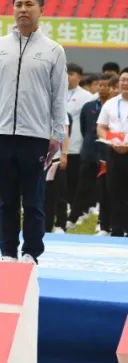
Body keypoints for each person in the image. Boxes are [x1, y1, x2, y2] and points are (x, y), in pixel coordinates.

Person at [0, 0, 68, 264]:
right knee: (5, 201)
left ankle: (31, 251)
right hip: (2, 134)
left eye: (29, 4)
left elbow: (59, 95)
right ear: (12, 9)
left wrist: (57, 133)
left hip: (36, 136)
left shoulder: (53, 50)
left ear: (41, 10)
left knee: (33, 200)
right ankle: (7, 252)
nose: (23, 9)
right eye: (18, 4)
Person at [64, 63, 97, 229]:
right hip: (59, 145)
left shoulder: (87, 97)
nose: (68, 77)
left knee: (76, 180)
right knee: (61, 181)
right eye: (66, 73)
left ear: (80, 77)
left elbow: (87, 123)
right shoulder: (56, 93)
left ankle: (77, 209)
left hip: (77, 144)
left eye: (72, 74)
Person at [96, 70, 128, 237]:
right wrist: (111, 140)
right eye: (123, 80)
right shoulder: (110, 103)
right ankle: (116, 229)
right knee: (114, 191)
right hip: (114, 151)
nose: (125, 83)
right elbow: (101, 126)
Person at [79, 76, 112, 232]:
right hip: (92, 149)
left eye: (107, 86)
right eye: (100, 85)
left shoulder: (114, 106)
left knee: (110, 189)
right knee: (86, 184)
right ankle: (84, 214)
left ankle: (112, 222)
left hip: (113, 152)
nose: (103, 88)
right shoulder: (89, 106)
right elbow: (84, 128)